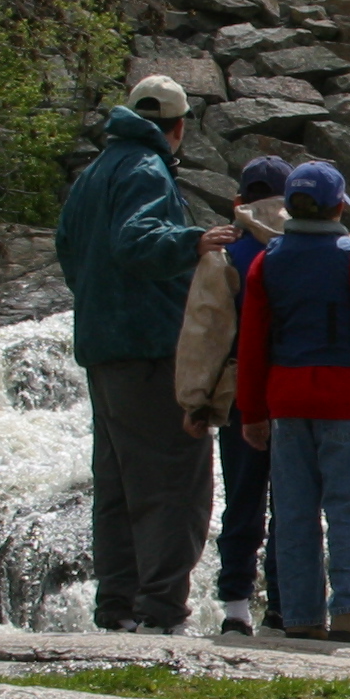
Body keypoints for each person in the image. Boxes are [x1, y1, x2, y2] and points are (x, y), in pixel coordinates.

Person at [53, 73, 233, 634]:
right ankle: (159, 613)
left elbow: (68, 250)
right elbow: (136, 239)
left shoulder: (92, 175)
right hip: (148, 349)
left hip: (102, 351)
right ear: (177, 129)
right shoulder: (146, 168)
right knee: (176, 482)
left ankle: (117, 609)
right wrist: (192, 240)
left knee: (117, 486)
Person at [237, 160, 350, 646]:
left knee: (293, 514)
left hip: (286, 402)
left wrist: (251, 411)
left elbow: (253, 344)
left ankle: (301, 616)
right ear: (338, 206)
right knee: (348, 509)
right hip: (344, 400)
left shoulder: (268, 260)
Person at [175, 156, 293, 636]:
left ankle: (235, 609)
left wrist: (195, 400)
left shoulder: (225, 253)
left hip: (241, 393)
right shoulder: (313, 247)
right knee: (292, 504)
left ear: (238, 201)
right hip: (294, 393)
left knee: (242, 501)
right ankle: (288, 610)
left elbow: (206, 332)